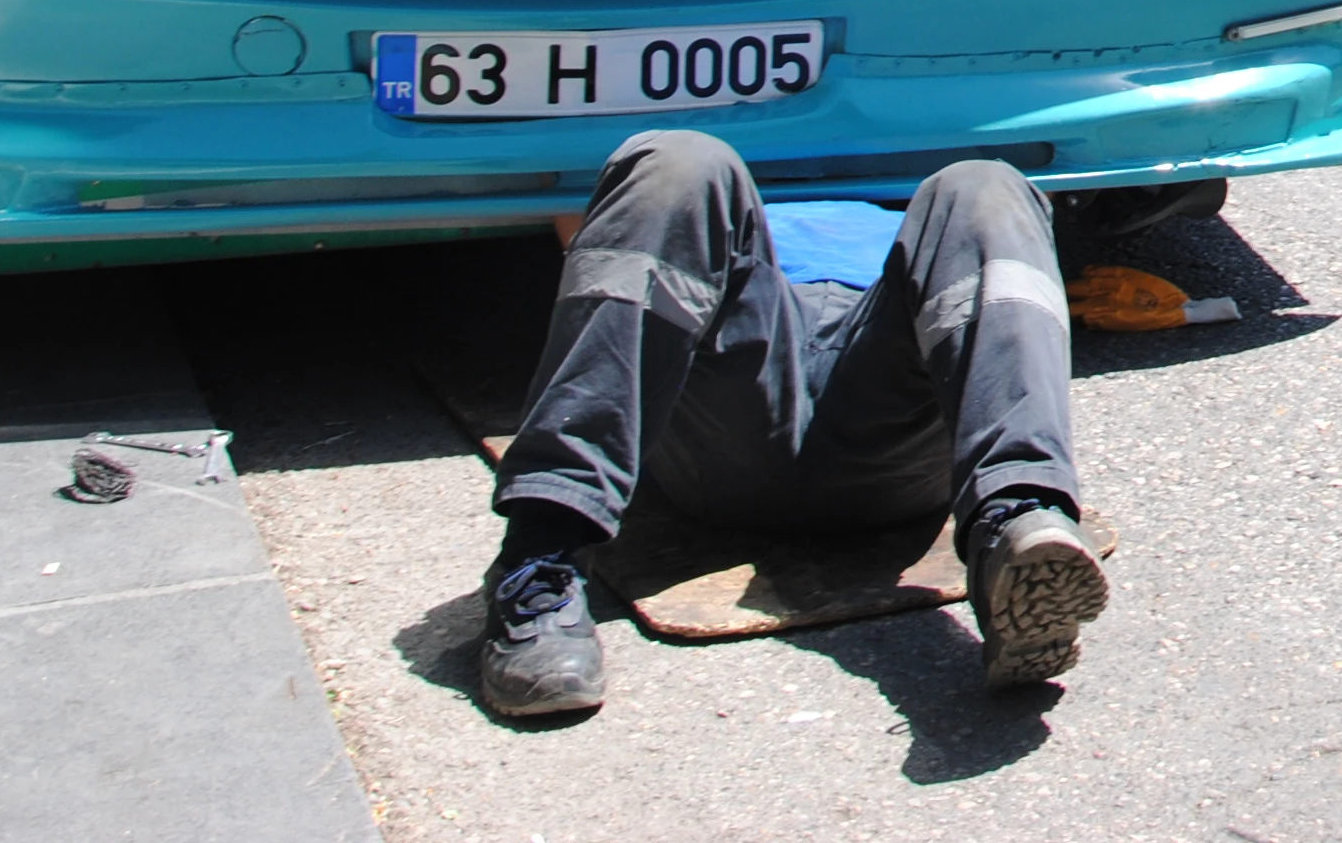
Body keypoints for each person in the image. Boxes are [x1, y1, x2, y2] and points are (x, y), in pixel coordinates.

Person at [472, 132, 1109, 720]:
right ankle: (539, 560)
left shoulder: (933, 194)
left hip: (890, 414)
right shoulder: (719, 194)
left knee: (987, 184)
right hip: (734, 395)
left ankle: (1015, 524)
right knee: (677, 161)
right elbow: (597, 248)